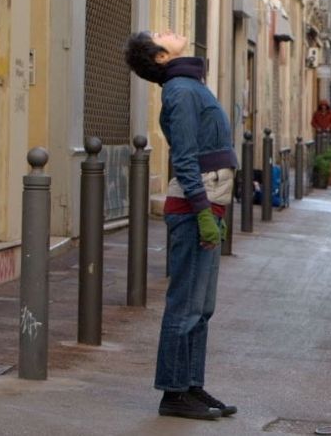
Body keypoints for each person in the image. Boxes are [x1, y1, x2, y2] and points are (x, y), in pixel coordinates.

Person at [125, 30, 239, 421]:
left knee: (202, 307)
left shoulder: (187, 86)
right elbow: (186, 158)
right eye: (160, 35)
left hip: (207, 203)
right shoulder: (180, 91)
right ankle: (173, 393)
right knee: (185, 305)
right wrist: (203, 211)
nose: (169, 32)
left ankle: (191, 385)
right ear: (159, 57)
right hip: (196, 205)